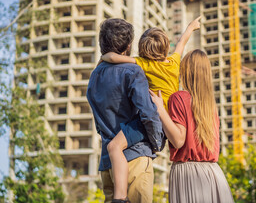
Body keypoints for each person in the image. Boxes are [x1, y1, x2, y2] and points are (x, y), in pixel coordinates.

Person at [99, 17, 200, 202]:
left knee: (115, 146)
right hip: (172, 119)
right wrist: (191, 27)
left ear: (142, 50)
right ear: (166, 48)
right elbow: (182, 42)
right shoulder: (174, 63)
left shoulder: (143, 64)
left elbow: (113, 57)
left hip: (158, 120)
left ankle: (119, 198)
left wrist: (103, 58)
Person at [86, 18, 165, 203]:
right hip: (135, 157)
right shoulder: (133, 71)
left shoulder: (94, 77)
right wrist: (157, 143)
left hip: (107, 164)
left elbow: (99, 124)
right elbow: (148, 113)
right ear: (129, 45)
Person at [150, 49, 234, 203]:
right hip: (214, 174)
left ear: (186, 72)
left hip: (188, 174)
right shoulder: (210, 108)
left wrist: (160, 109)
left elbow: (178, 140)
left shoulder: (179, 98)